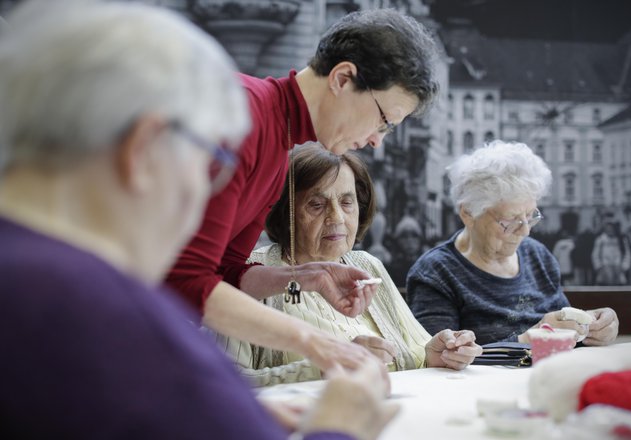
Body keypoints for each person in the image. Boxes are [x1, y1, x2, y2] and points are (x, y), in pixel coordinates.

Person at [0, 1, 397, 438]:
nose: (205, 194)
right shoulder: (93, 304)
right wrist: (340, 427)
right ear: (144, 149)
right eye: (214, 163)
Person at [166, 9, 442, 373]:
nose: (377, 140)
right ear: (343, 79)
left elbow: (227, 273)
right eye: (384, 120)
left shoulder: (278, 151)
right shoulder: (242, 115)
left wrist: (308, 277)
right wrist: (321, 346)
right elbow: (184, 279)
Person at [215, 143, 482, 386]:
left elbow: (416, 354)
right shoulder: (251, 275)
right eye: (317, 205)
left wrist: (436, 353)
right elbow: (225, 386)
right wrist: (326, 368)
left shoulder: (368, 265)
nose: (337, 218)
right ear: (285, 213)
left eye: (346, 202)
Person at [407, 141, 619, 346]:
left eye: (531, 215)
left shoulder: (538, 256)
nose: (525, 230)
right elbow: (438, 360)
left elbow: (565, 330)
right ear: (468, 213)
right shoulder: (436, 273)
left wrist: (591, 327)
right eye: (510, 220)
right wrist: (529, 340)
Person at [591, 218, 631, 285]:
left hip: (619, 269)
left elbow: (627, 254)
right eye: (608, 228)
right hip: (604, 269)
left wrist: (625, 267)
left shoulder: (621, 240)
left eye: (611, 228)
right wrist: (599, 268)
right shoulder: (600, 240)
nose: (610, 230)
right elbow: (595, 255)